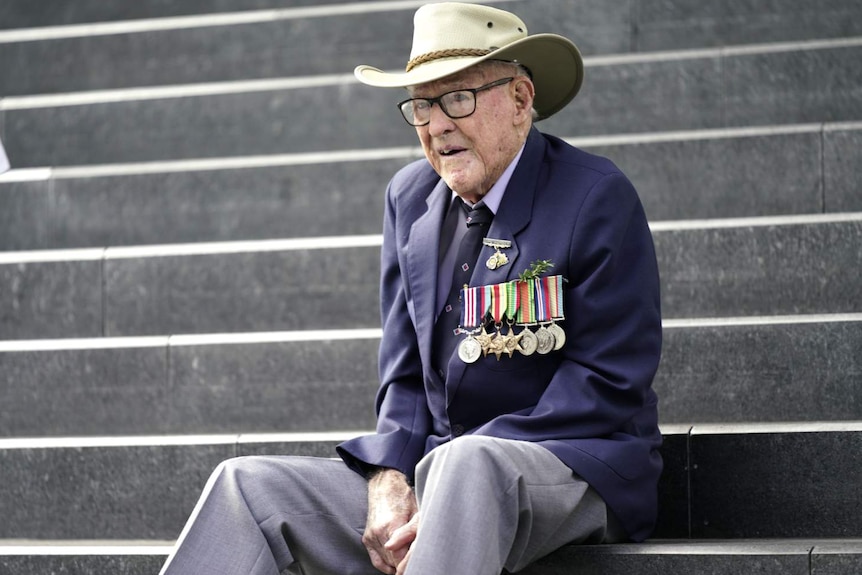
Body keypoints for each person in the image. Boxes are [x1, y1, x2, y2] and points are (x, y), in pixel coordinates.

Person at [159, 3, 662, 575]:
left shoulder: (595, 197)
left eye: (457, 98)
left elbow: (606, 383)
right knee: (246, 488)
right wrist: (390, 475)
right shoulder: (410, 197)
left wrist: (446, 473)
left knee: (466, 467)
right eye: (422, 104)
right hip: (440, 472)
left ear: (521, 101)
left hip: (576, 465)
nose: (437, 124)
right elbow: (403, 377)